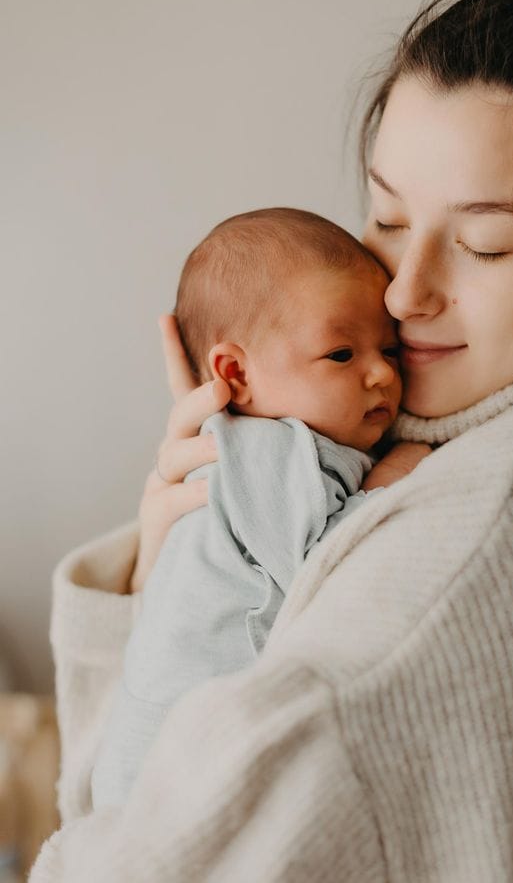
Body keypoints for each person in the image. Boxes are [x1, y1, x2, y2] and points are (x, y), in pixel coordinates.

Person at [32, 0, 513, 882]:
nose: (401, 290)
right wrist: (164, 556)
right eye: (386, 217)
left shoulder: (461, 550)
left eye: (485, 243)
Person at [90, 207, 415, 809]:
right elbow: (321, 569)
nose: (380, 374)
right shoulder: (268, 450)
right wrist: (392, 478)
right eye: (342, 355)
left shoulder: (291, 448)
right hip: (171, 751)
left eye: (390, 350)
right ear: (234, 371)